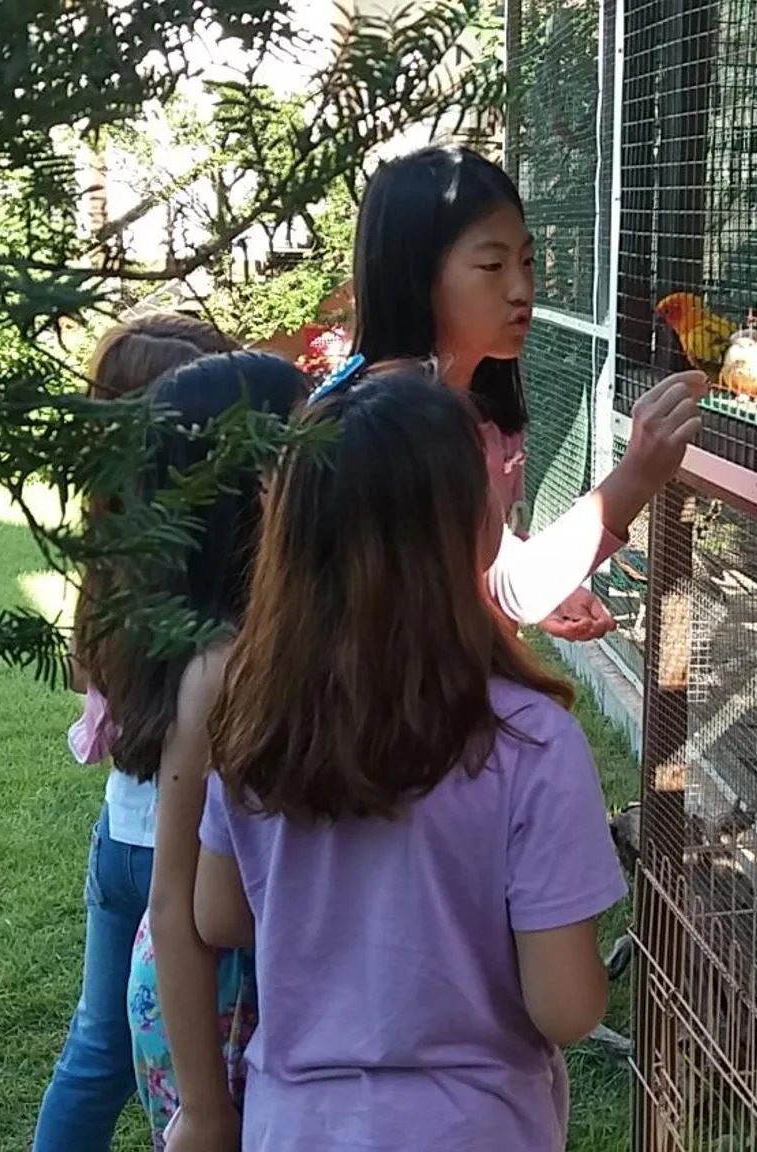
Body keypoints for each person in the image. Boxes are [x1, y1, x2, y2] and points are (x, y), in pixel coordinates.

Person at [190, 371, 628, 1151]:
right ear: (473, 527)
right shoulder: (531, 742)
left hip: (293, 1127)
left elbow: (218, 913)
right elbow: (568, 1007)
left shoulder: (255, 715)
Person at [339, 142, 705, 641]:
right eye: (492, 266)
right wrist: (639, 471)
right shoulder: (401, 423)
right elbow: (519, 588)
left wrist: (538, 579)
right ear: (415, 276)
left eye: (528, 261)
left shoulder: (469, 401)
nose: (521, 288)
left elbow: (494, 570)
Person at [32, 313, 240, 1152]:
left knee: (98, 1046)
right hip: (189, 854)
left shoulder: (112, 540)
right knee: (213, 1056)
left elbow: (87, 673)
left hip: (123, 836)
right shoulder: (219, 559)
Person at [120, 352, 308, 1149]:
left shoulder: (289, 629)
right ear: (255, 489)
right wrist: (202, 1107)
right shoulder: (220, 667)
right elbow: (172, 901)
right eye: (310, 445)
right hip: (217, 1013)